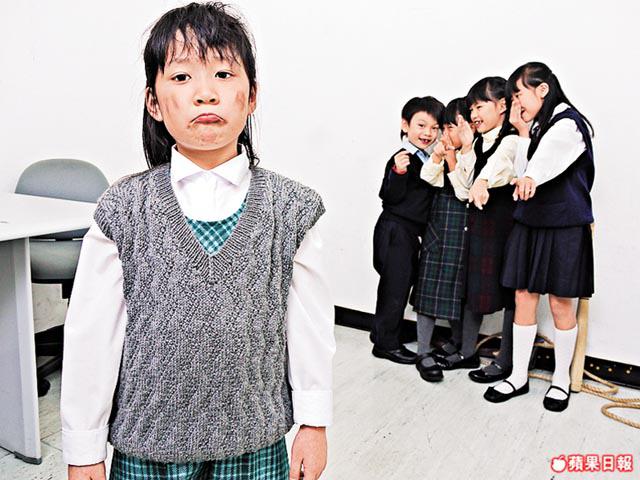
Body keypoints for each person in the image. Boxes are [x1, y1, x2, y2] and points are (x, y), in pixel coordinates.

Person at [60, 3, 335, 479]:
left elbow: (309, 327)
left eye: (224, 74)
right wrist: (84, 448)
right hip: (148, 445)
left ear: (252, 97)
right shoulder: (123, 209)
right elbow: (92, 336)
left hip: (254, 442)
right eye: (182, 77)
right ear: (154, 102)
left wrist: (314, 422)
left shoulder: (292, 209)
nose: (205, 93)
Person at [485, 62, 595, 412]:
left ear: (542, 89)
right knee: (523, 297)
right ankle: (518, 376)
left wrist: (531, 175)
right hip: (530, 223)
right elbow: (523, 174)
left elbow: (543, 164)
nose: (516, 102)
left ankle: (561, 380)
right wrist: (521, 133)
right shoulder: (537, 127)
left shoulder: (568, 124)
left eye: (519, 93)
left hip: (564, 225)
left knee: (561, 302)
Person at [438, 77, 517, 383]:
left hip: (506, 227)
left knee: (511, 293)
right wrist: (467, 148)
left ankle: (506, 360)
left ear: (502, 106)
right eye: (471, 109)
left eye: (480, 107)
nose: (474, 114)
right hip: (480, 225)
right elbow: (464, 191)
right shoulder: (479, 141)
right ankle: (468, 351)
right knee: (472, 288)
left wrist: (481, 180)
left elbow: (495, 171)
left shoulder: (512, 139)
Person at [371, 96, 444, 364]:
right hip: (396, 230)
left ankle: (382, 333)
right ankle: (385, 345)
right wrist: (398, 173)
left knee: (399, 284)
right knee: (395, 287)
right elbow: (388, 196)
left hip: (408, 232)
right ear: (405, 125)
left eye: (434, 128)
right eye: (421, 125)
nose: (427, 133)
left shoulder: (426, 158)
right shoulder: (402, 158)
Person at [412, 97, 470, 382]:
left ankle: (458, 344)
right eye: (444, 127)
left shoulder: (474, 154)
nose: (446, 134)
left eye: (452, 127)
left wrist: (453, 160)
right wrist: (438, 158)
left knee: (458, 290)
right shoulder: (442, 151)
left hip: (463, 229)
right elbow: (428, 179)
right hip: (439, 227)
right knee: (429, 287)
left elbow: (465, 190)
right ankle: (423, 351)